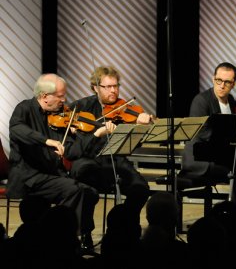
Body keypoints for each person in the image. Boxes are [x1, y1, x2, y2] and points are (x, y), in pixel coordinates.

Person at [7, 74, 114, 251]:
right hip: (29, 175)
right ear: (44, 97)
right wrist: (46, 141)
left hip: (51, 174)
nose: (65, 100)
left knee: (90, 192)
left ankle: (80, 235)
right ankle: (62, 241)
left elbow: (72, 153)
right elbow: (17, 129)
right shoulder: (24, 108)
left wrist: (92, 135)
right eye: (60, 96)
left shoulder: (59, 119)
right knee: (74, 190)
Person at [68, 66, 151, 249]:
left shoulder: (126, 109)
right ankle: (84, 232)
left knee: (141, 188)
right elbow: (73, 146)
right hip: (87, 159)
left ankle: (123, 226)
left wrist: (142, 126)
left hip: (115, 159)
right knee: (86, 188)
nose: (113, 90)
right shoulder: (79, 107)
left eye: (116, 86)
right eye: (108, 87)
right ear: (95, 88)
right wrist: (92, 132)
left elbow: (133, 145)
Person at [181, 62, 236, 230]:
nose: (222, 85)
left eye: (227, 82)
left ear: (234, 84)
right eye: (218, 80)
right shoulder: (201, 100)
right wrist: (229, 138)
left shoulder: (231, 101)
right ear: (213, 79)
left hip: (219, 155)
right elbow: (202, 133)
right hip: (198, 158)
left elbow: (230, 130)